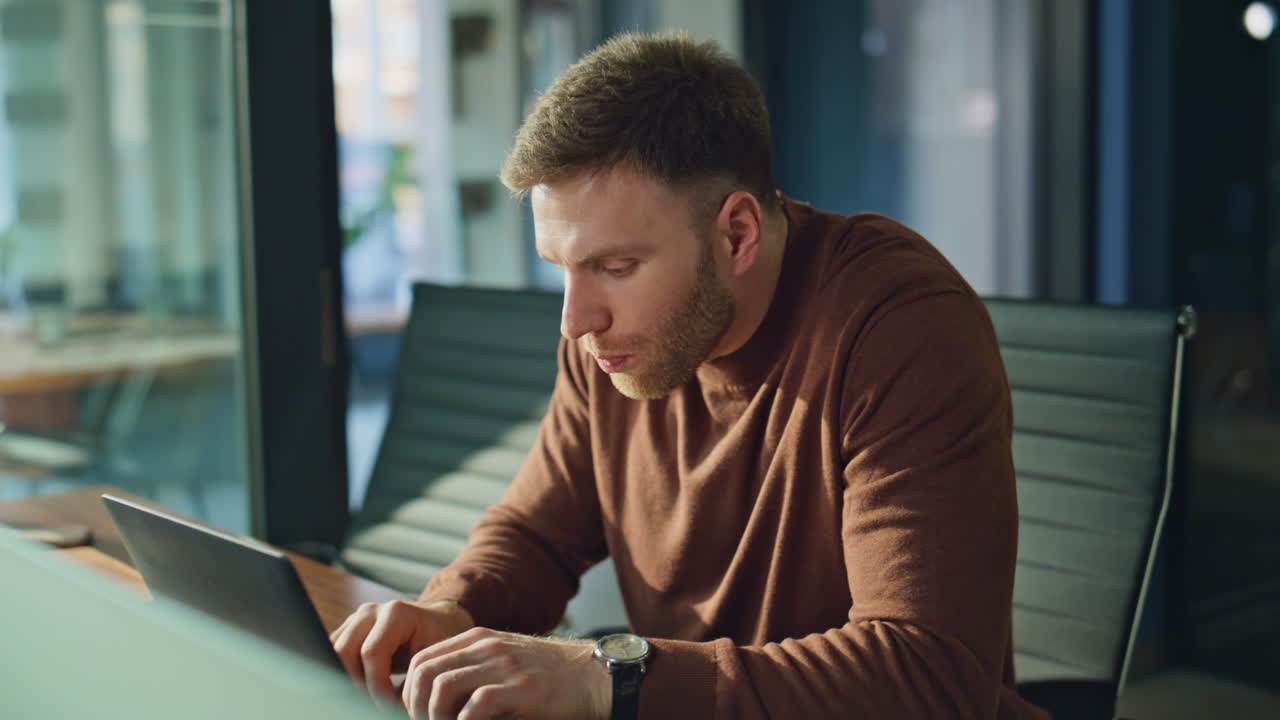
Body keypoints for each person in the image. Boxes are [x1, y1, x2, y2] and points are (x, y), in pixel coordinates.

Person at [330, 32, 1049, 720]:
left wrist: (610, 678)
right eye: (562, 270)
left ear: (737, 234)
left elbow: (927, 678)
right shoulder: (607, 340)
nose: (575, 322)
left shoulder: (900, 327)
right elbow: (536, 533)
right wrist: (450, 612)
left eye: (615, 268)